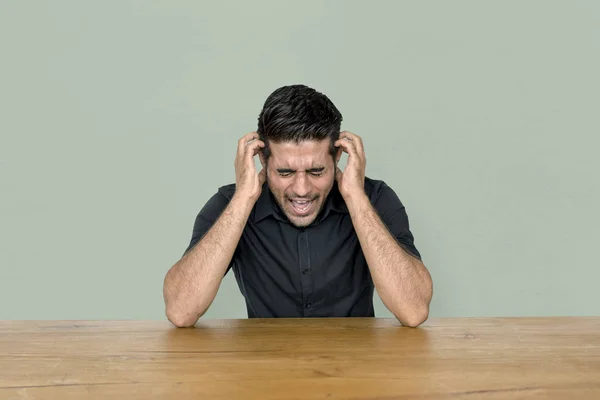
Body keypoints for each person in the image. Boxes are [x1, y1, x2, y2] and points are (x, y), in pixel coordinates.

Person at [163, 84, 433, 328]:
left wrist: (356, 198)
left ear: (338, 156)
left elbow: (413, 310)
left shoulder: (375, 199)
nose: (302, 189)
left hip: (356, 372)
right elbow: (180, 310)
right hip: (264, 372)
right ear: (262, 160)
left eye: (316, 171)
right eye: (285, 172)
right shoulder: (230, 204)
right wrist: (243, 199)